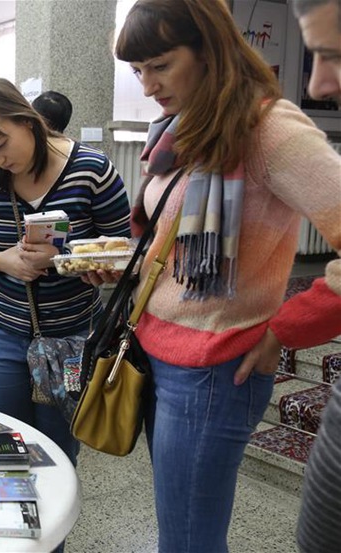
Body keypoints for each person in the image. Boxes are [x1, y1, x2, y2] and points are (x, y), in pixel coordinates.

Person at [107, 1, 341, 551]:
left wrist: (289, 327)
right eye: (138, 70)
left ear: (210, 49)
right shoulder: (185, 125)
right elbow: (173, 236)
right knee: (179, 528)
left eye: (160, 65)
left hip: (214, 371)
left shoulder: (267, 128)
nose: (146, 87)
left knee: (189, 539)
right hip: (156, 350)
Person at [0, 77, 131, 466]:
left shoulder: (92, 171)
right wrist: (2, 260)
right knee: (5, 444)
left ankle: (57, 527)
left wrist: (68, 259)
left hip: (72, 339)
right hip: (2, 335)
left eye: (0, 145)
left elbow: (122, 248)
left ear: (28, 120)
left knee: (59, 449)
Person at [292, 1, 341, 552]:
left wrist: (280, 326)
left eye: (331, 56)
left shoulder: (269, 125)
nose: (319, 84)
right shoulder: (176, 133)